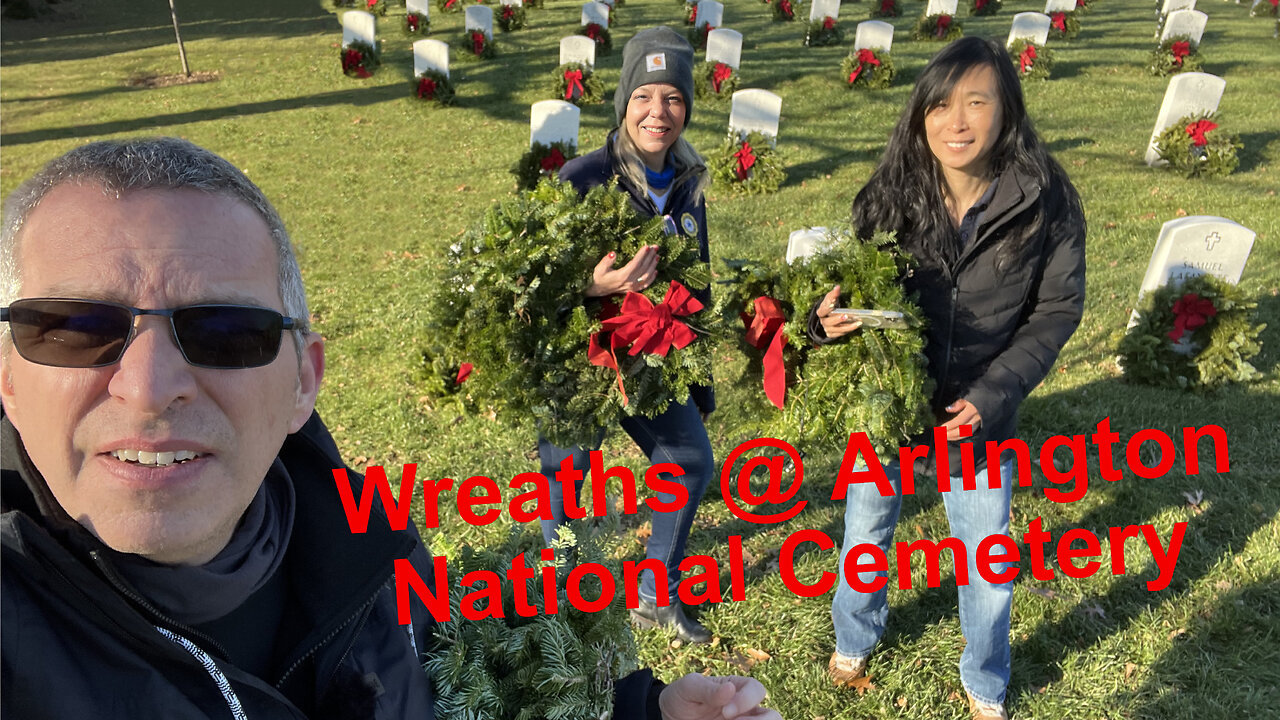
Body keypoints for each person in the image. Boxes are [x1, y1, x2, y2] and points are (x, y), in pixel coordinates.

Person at [0, 138, 779, 720]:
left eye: (226, 331)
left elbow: (466, 692)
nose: (147, 387)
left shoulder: (366, 544)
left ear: (305, 378)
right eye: (72, 328)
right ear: (6, 375)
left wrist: (639, 715)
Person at [812, 37, 1086, 720]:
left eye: (975, 102)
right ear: (919, 114)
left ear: (1006, 111)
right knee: (867, 526)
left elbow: (1057, 308)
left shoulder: (1045, 198)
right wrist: (824, 322)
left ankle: (986, 679)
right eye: (939, 105)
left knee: (986, 552)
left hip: (981, 408)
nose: (955, 122)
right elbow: (844, 291)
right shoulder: (888, 195)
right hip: (892, 404)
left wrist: (992, 397)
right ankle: (855, 635)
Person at [537, 26, 717, 644]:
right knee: (565, 476)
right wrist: (590, 288)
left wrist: (702, 374)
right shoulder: (582, 178)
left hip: (654, 359)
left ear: (687, 108)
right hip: (580, 357)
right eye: (643, 96)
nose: (657, 113)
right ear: (623, 104)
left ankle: (654, 594)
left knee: (690, 462)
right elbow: (532, 282)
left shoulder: (690, 181)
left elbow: (701, 276)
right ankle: (558, 598)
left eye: (671, 98)